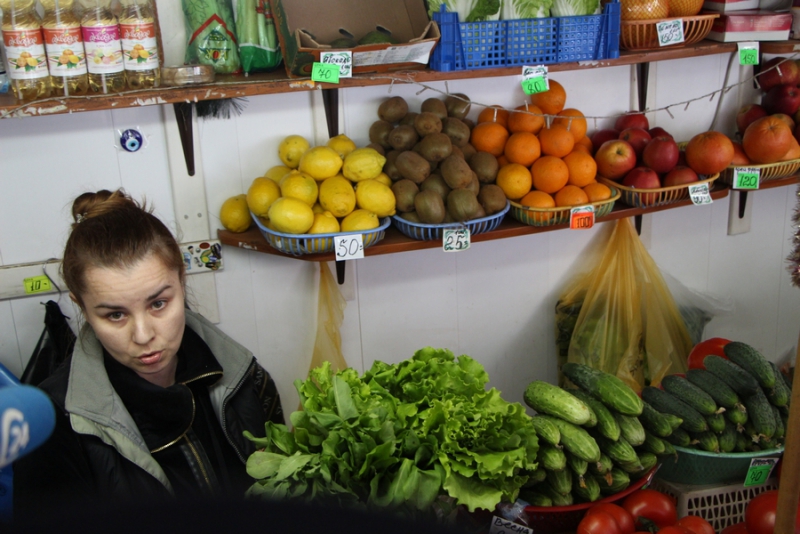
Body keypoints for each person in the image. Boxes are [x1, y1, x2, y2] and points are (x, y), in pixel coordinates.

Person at [12, 189, 284, 521]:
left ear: (181, 281)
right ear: (80, 305)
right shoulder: (55, 425)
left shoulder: (245, 378)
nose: (143, 336)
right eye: (115, 315)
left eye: (158, 304)